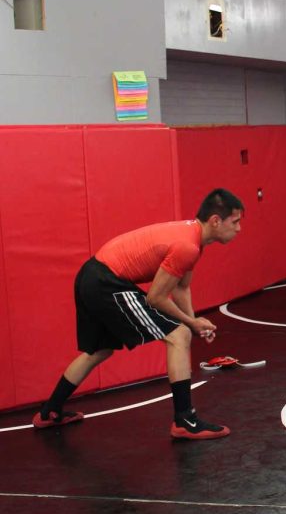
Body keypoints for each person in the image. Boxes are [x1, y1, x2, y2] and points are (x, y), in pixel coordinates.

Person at [33, 189, 244, 440]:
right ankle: (185, 420)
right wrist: (189, 324)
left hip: (91, 276)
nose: (239, 229)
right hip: (105, 282)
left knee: (99, 350)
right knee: (178, 335)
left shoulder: (193, 238)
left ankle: (49, 412)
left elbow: (181, 287)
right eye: (236, 222)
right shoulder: (187, 245)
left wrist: (195, 324)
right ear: (216, 221)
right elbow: (155, 297)